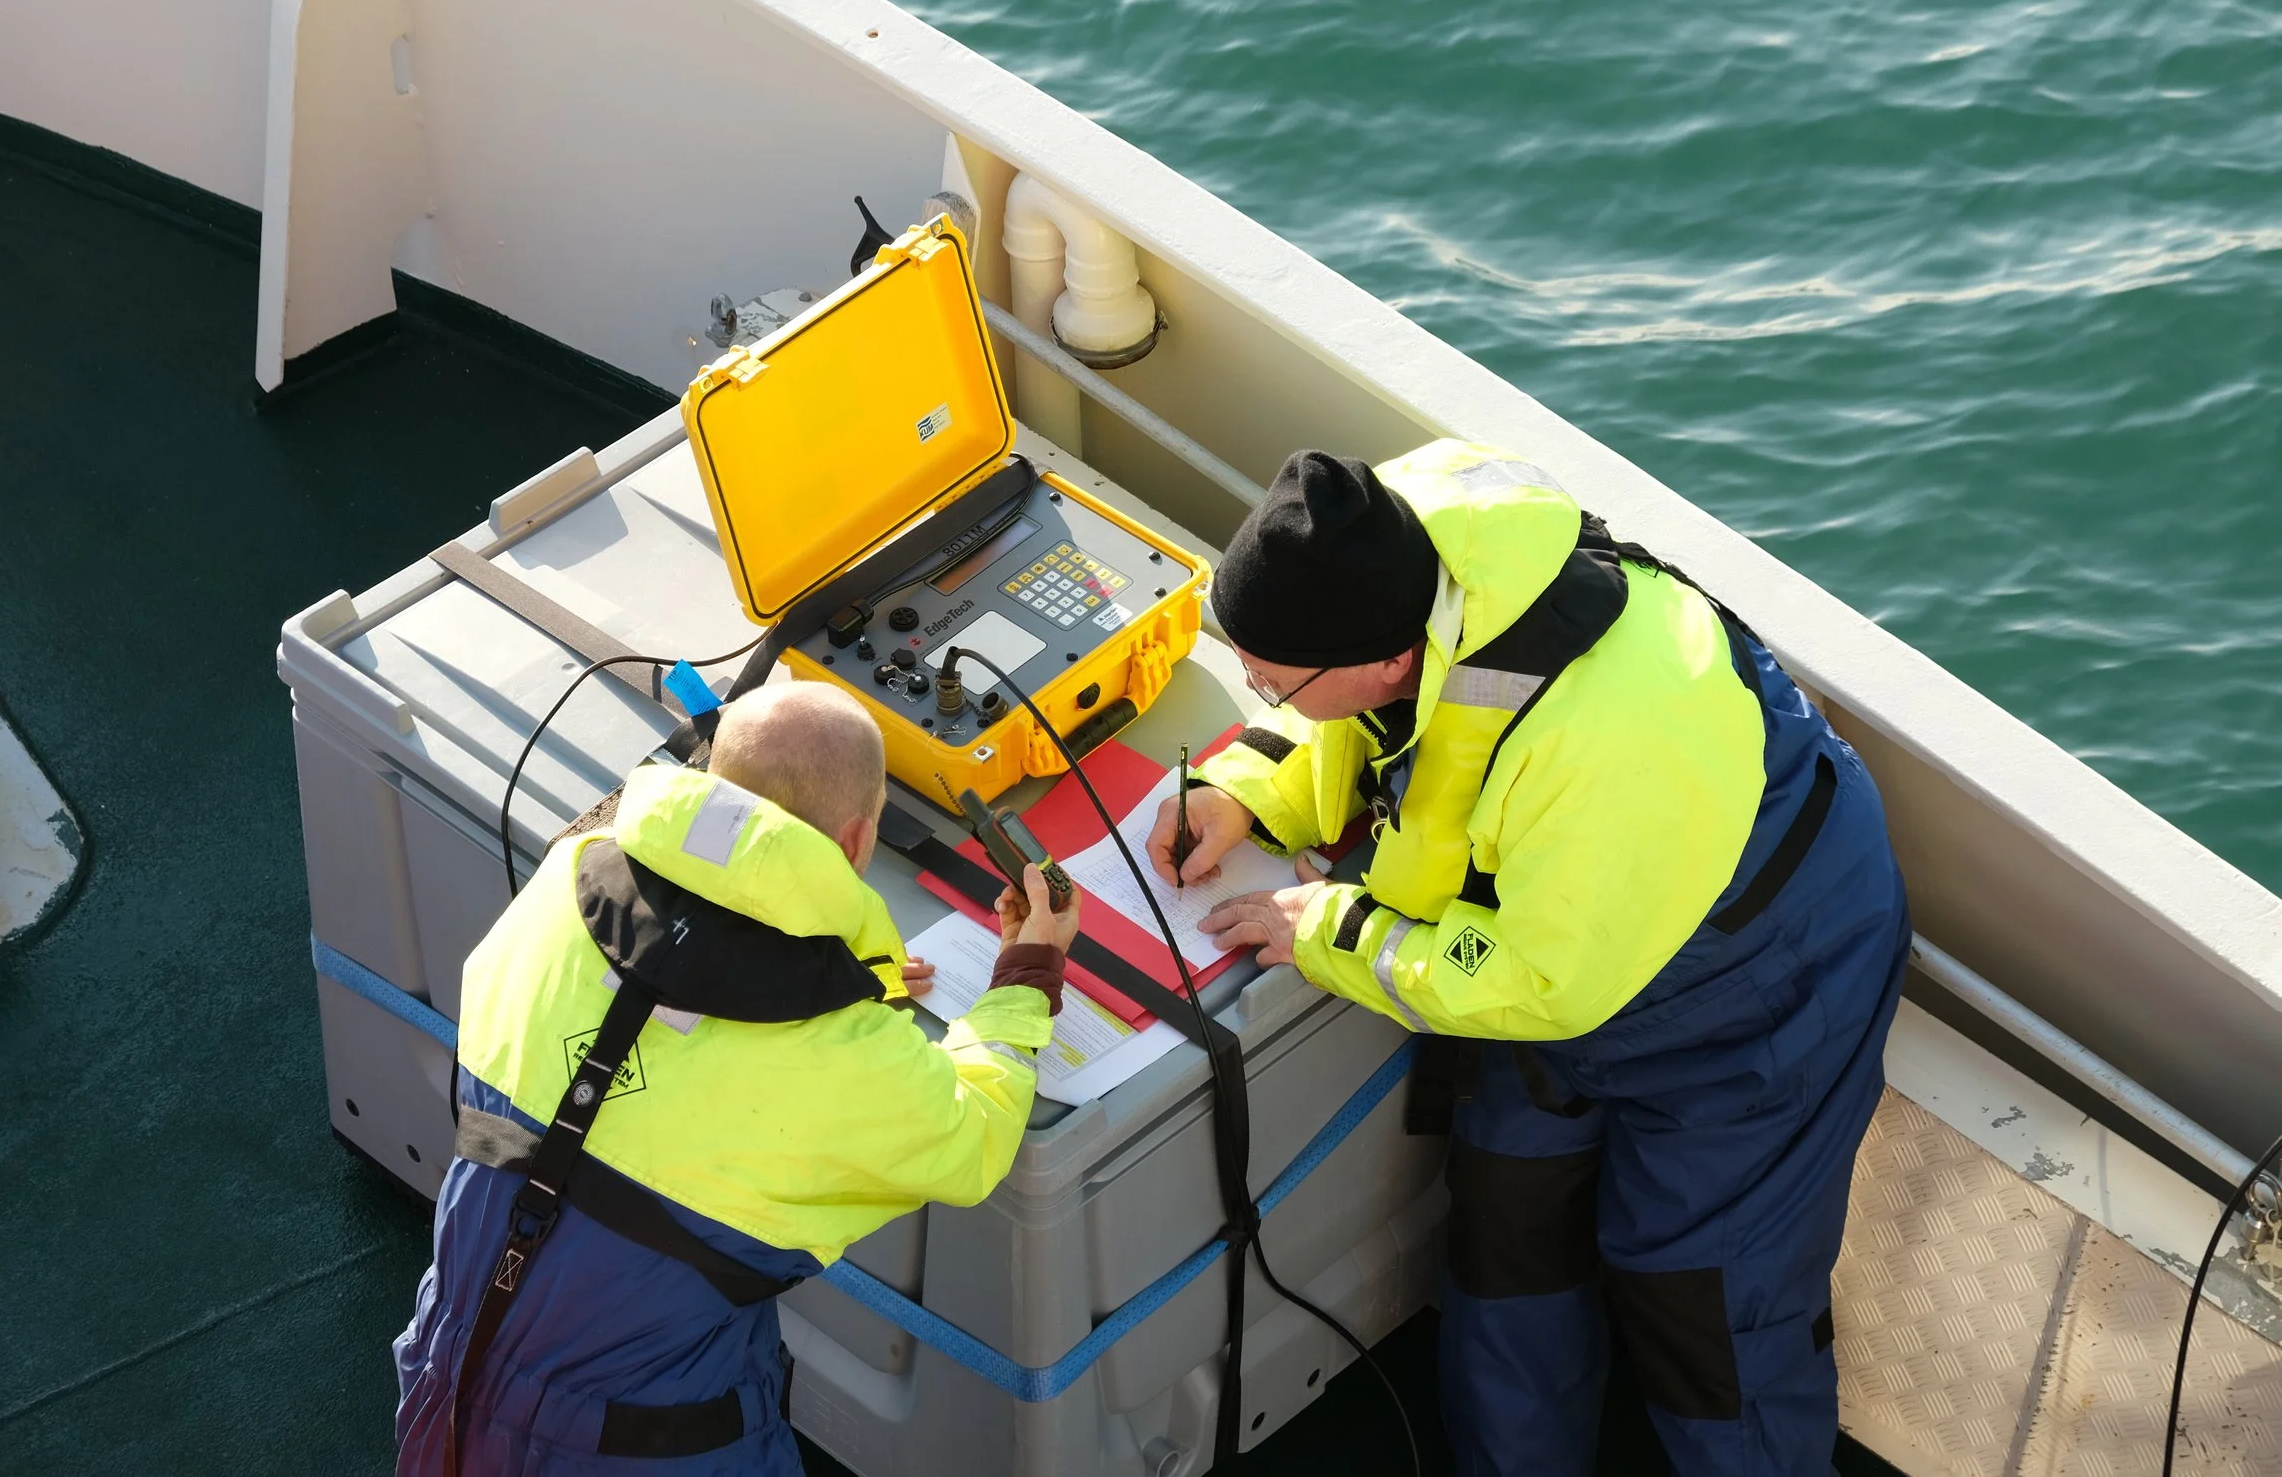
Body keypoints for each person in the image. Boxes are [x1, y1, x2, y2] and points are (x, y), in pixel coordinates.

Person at [1156, 441, 1908, 1476]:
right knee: (1506, 1238)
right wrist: (1252, 786)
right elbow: (1383, 733)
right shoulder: (1385, 551)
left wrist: (1327, 931)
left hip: (1759, 980)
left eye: (1271, 682)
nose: (1259, 690)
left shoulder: (1600, 738)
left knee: (1703, 1298)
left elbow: (1541, 982)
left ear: (1382, 656)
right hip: (1561, 934)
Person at [395, 682, 1079, 1476]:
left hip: (446, 1377)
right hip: (647, 1450)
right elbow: (975, 1131)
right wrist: (1028, 970)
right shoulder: (844, 1053)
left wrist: (849, 976)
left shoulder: (565, 878)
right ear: (858, 842)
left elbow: (675, 980)